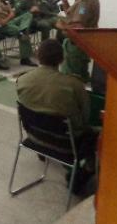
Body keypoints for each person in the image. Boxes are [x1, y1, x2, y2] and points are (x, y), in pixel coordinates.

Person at [16, 39, 97, 193]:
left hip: (34, 138)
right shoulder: (75, 85)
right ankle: (88, 171)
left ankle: (44, 154)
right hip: (67, 146)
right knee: (94, 135)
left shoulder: (22, 80)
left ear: (38, 56)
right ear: (62, 59)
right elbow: (84, 120)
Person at [56, 0, 100, 82]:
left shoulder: (84, 3)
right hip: (82, 43)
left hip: (76, 45)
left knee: (71, 77)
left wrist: (61, 25)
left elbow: (78, 26)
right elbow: (71, 16)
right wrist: (65, 2)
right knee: (81, 75)